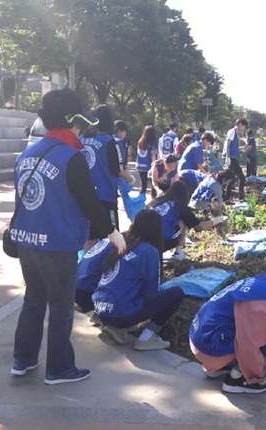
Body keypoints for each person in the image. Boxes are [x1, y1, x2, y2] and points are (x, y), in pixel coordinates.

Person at [10, 88, 126, 385]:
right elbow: (90, 202)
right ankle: (59, 369)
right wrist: (113, 233)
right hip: (58, 245)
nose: (81, 129)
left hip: (26, 243)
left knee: (33, 301)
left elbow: (21, 201)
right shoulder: (72, 158)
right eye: (79, 124)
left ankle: (22, 360)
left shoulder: (26, 154)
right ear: (71, 121)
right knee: (61, 306)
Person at [92, 209, 185, 350]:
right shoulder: (149, 251)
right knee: (175, 293)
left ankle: (116, 327)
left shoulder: (122, 244)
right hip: (120, 312)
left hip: (100, 309)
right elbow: (152, 292)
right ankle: (146, 337)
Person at [81, 105, 134, 252]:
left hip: (84, 197)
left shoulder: (80, 140)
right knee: (111, 237)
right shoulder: (109, 141)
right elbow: (117, 169)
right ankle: (108, 270)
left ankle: (87, 268)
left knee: (89, 238)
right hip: (105, 196)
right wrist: (130, 180)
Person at [146, 180, 217, 260]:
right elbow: (199, 226)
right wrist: (217, 220)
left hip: (143, 239)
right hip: (160, 243)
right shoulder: (180, 207)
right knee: (183, 221)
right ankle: (178, 252)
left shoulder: (156, 201)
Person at [223, 118, 248, 200]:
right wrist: (228, 156)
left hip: (234, 157)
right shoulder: (232, 132)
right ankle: (229, 197)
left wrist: (239, 150)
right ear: (240, 124)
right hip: (231, 158)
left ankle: (236, 197)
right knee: (235, 177)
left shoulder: (236, 133)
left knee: (235, 178)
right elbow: (228, 144)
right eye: (244, 126)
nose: (244, 128)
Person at [136, 125, 157, 195]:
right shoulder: (152, 143)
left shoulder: (140, 141)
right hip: (148, 166)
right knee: (153, 185)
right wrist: (155, 165)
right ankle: (154, 201)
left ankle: (140, 201)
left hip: (140, 165)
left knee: (143, 185)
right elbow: (153, 156)